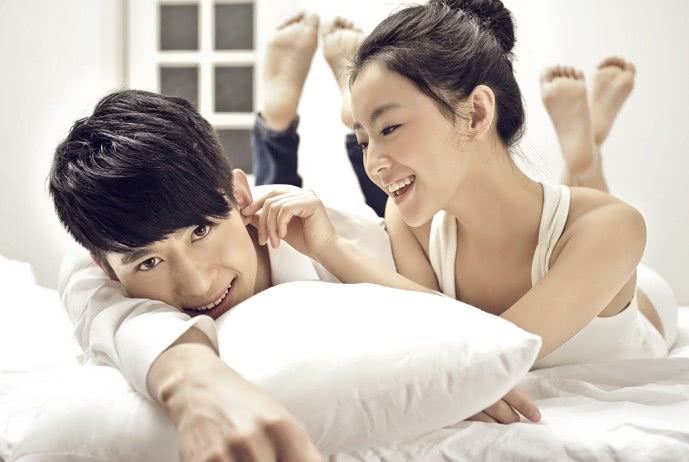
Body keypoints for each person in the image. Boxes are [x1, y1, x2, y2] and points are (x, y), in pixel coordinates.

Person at [49, 12, 540, 462]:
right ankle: (298, 123)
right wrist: (196, 385)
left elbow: (442, 310)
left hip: (342, 222)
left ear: (238, 197)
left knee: (387, 194)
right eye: (149, 263)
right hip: (249, 209)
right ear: (105, 265)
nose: (196, 285)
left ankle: (328, 122)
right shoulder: (103, 264)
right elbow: (93, 294)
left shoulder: (346, 238)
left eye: (200, 232)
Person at [250, 0, 678, 378]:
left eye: (390, 128)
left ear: (475, 113)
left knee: (585, 216)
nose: (373, 164)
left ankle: (585, 156)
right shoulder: (409, 222)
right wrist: (326, 245)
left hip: (643, 310)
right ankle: (586, 148)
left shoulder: (615, 227)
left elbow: (498, 350)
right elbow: (436, 327)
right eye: (363, 141)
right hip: (562, 242)